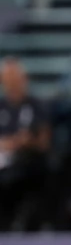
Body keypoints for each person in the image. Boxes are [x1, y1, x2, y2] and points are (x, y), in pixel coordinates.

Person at [0, 59, 50, 231]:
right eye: (8, 79)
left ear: (24, 79)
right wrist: (14, 141)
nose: (12, 84)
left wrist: (26, 142)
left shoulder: (36, 106)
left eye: (15, 78)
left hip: (27, 164)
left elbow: (44, 142)